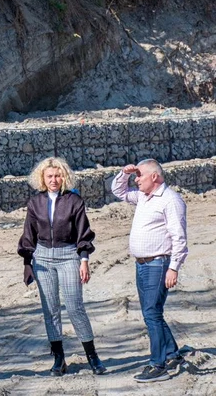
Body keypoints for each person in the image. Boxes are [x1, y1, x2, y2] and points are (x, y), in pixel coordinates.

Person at [17, 157, 106, 377]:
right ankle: (58, 358)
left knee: (75, 306)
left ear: (63, 176)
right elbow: (29, 233)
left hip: (68, 256)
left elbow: (83, 233)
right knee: (51, 309)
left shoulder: (75, 201)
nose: (54, 180)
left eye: (57, 175)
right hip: (43, 258)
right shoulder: (35, 202)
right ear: (42, 178)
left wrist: (84, 259)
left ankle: (92, 356)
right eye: (49, 176)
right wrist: (27, 262)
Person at [111, 159, 188, 383]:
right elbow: (118, 190)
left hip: (158, 264)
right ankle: (172, 353)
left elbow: (179, 237)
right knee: (151, 312)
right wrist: (124, 172)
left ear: (154, 177)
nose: (137, 180)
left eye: (140, 176)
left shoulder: (170, 200)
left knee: (151, 313)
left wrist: (173, 268)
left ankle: (158, 364)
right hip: (142, 264)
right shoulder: (143, 197)